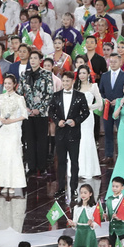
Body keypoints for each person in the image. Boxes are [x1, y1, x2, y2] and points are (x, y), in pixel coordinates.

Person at [50, 71, 89, 201]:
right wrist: (57, 121)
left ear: (73, 81)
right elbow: (51, 111)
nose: (65, 83)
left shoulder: (80, 96)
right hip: (60, 133)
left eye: (68, 81)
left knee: (74, 161)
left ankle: (73, 188)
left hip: (74, 133)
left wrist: (76, 121)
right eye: (64, 81)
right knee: (61, 161)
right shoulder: (56, 96)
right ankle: (61, 187)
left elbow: (86, 112)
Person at [0, 76, 28, 196]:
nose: (7, 86)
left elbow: (24, 115)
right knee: (3, 155)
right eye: (5, 83)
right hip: (2, 129)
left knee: (13, 155)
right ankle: (4, 183)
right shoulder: (0, 97)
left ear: (14, 84)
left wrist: (12, 120)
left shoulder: (19, 98)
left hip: (13, 128)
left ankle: (12, 184)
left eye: (9, 83)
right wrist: (1, 119)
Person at [76, 65, 103, 179]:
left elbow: (100, 103)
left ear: (88, 74)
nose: (82, 75)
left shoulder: (93, 86)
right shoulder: (76, 87)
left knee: (87, 140)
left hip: (88, 117)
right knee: (78, 140)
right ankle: (78, 169)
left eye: (84, 73)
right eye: (80, 73)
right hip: (77, 117)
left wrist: (88, 107)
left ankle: (90, 170)